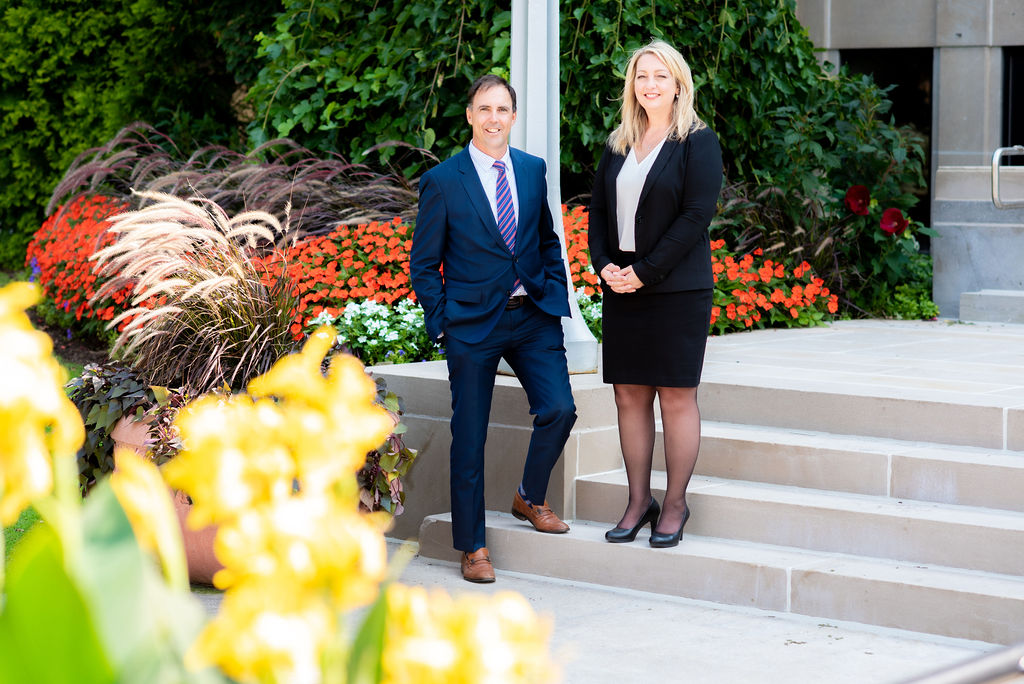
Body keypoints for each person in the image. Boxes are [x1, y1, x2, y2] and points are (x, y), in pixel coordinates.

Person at [410, 74, 577, 583]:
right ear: (469, 115)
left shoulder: (532, 169)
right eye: (484, 109)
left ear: (514, 116)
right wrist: (444, 324)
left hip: (532, 315)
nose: (493, 118)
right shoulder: (443, 180)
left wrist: (553, 292)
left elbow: (547, 239)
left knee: (560, 408)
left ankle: (529, 496)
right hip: (472, 326)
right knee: (470, 436)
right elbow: (424, 264)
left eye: (502, 109)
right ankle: (473, 546)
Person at [587, 40, 722, 548]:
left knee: (676, 396)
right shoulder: (619, 141)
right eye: (642, 76)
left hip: (677, 289)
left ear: (678, 84)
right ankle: (638, 501)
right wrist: (604, 264)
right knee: (629, 395)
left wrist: (645, 271)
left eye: (660, 76)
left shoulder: (698, 142)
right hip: (622, 285)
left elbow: (695, 217)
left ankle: (676, 504)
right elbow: (598, 211)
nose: (650, 85)